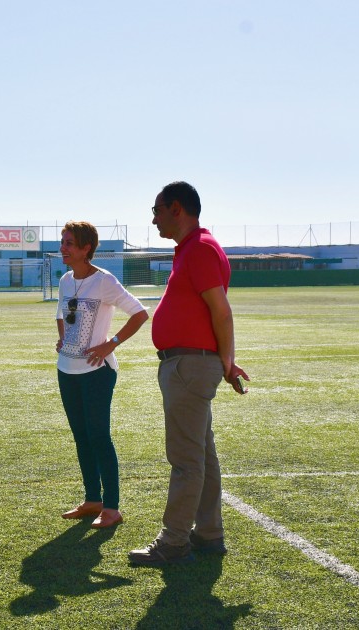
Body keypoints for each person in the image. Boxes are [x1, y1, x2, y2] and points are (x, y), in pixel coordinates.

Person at [128, 181, 250, 566]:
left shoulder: (197, 249)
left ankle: (174, 542)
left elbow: (222, 311)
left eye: (157, 210)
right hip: (191, 363)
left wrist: (226, 361)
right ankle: (209, 533)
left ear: (176, 209)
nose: (153, 219)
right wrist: (225, 362)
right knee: (202, 456)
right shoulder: (194, 248)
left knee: (186, 460)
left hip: (188, 365)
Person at [56, 221, 149, 529]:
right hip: (66, 370)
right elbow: (61, 314)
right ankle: (92, 499)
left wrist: (111, 344)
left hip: (97, 374)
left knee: (99, 436)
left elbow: (139, 313)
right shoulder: (65, 280)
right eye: (63, 241)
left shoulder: (105, 281)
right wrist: (64, 337)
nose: (64, 248)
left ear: (86, 249)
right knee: (81, 436)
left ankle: (111, 507)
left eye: (70, 243)